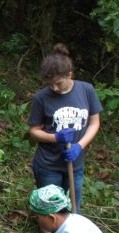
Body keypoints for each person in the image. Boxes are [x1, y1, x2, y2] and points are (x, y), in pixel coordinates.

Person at [28, 43, 102, 213]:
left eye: (59, 83)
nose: (54, 88)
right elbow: (33, 131)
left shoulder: (86, 90)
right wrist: (56, 137)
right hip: (48, 164)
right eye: (50, 84)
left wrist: (79, 146)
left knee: (73, 209)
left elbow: (94, 122)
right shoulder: (41, 98)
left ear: (70, 75)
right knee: (52, 211)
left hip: (75, 164)